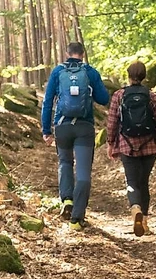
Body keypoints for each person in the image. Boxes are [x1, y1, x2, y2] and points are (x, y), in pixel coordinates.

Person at [41, 42, 110, 228]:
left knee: (64, 162)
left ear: (67, 53)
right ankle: (77, 218)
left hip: (62, 126)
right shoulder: (90, 72)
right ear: (83, 54)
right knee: (83, 171)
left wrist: (46, 131)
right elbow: (104, 99)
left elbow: (47, 102)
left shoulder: (58, 72)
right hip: (84, 127)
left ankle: (67, 200)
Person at [105, 60, 156, 236]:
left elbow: (112, 122)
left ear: (128, 76)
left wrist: (110, 143)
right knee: (144, 182)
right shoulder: (152, 96)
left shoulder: (119, 96)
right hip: (150, 146)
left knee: (132, 182)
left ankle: (135, 208)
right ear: (144, 76)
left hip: (127, 146)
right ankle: (144, 222)